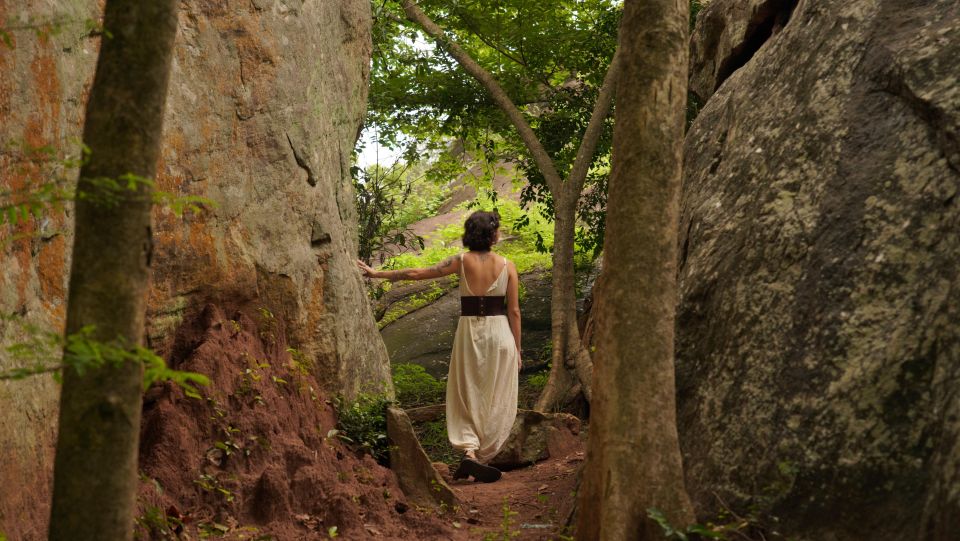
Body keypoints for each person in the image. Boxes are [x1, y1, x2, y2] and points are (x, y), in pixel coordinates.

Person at [357, 210, 521, 483]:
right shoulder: (509, 265)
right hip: (500, 333)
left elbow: (418, 273)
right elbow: (514, 311)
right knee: (495, 391)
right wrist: (518, 348)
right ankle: (480, 456)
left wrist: (377, 273)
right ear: (493, 235)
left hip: (470, 332)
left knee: (466, 389)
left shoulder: (461, 261)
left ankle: (469, 451)